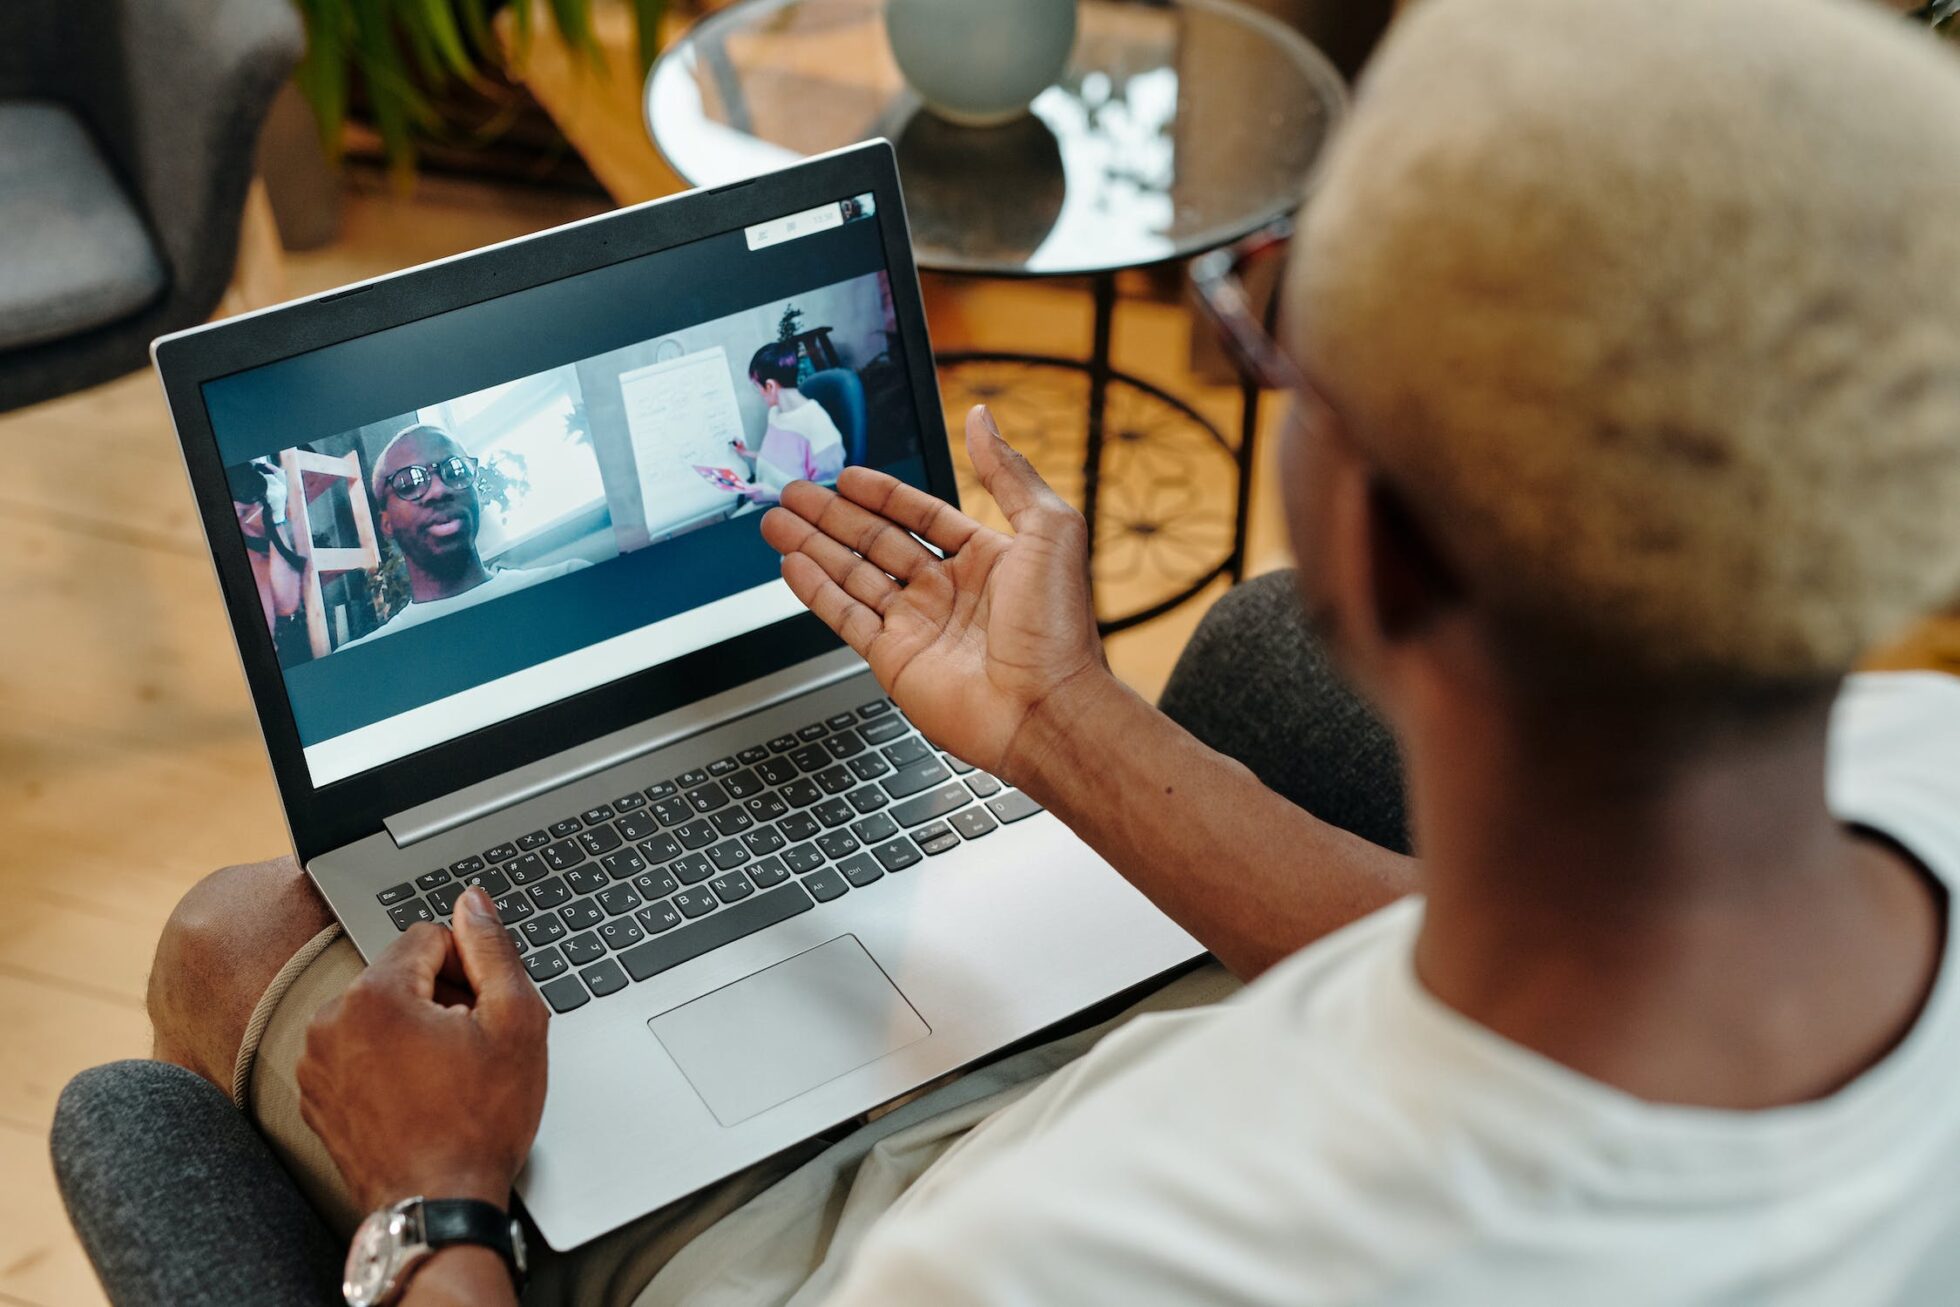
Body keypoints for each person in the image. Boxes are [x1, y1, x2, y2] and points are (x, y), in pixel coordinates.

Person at [142, 0, 1960, 1302]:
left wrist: (436, 1208)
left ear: (1385, 542)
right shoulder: (1915, 768)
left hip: (859, 1222)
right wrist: (1059, 723)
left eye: (1266, 331)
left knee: (232, 930)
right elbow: (1459, 966)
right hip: (1172, 1033)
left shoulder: (1052, 1255)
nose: (1250, 347)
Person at [337, 424, 589, 650]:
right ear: (386, 523)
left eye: (455, 471)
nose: (439, 490)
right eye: (408, 482)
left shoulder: (574, 585)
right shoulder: (359, 662)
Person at [728, 340, 846, 506]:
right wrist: (746, 453)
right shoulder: (776, 413)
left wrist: (776, 496)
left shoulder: (819, 427)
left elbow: (828, 496)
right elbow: (781, 461)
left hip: (793, 513)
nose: (759, 394)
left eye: (756, 387)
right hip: (767, 503)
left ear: (769, 386)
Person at [227, 457, 310, 664]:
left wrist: (276, 518)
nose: (243, 524)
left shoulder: (255, 559)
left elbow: (287, 603)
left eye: (245, 513)